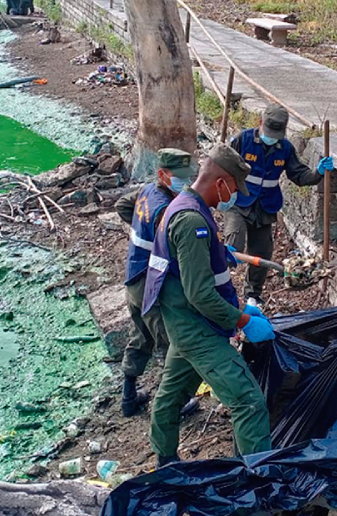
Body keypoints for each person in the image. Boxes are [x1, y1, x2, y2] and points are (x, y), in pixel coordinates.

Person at [143, 143, 276, 467]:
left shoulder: (185, 206)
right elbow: (200, 294)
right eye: (234, 188)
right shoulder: (192, 222)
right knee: (248, 401)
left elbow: (195, 272)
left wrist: (217, 253)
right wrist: (243, 320)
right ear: (220, 183)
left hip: (182, 321)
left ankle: (165, 461)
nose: (234, 196)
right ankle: (256, 482)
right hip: (197, 327)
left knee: (172, 394)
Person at [115, 148, 199, 417]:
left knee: (140, 337)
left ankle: (128, 398)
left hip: (134, 278)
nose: (186, 181)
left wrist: (139, 226)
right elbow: (179, 251)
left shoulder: (145, 192)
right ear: (163, 175)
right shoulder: (165, 209)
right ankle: (171, 406)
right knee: (168, 343)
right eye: (180, 176)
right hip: (152, 285)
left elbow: (122, 206)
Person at [226, 104, 334, 306]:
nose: (272, 138)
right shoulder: (243, 140)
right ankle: (219, 288)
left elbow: (299, 175)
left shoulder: (285, 148)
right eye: (269, 133)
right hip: (238, 202)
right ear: (260, 123)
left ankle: (252, 296)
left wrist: (318, 173)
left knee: (262, 252)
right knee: (233, 244)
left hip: (265, 206)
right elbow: (221, 165)